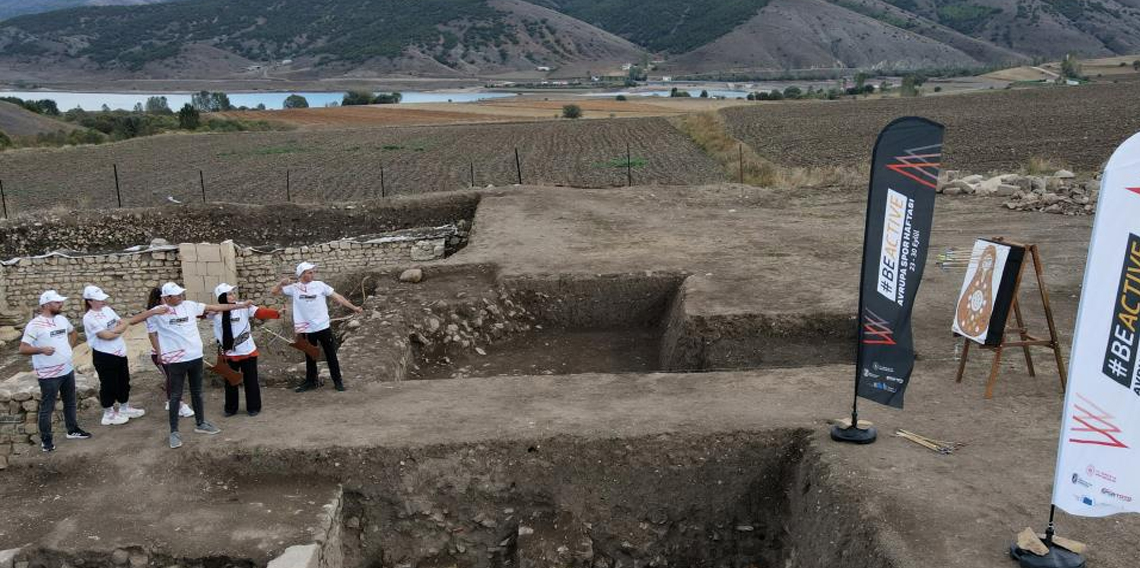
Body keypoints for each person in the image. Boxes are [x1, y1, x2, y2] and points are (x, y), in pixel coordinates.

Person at [140, 282, 253, 449]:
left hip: (195, 357)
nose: (181, 297)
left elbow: (215, 307)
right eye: (177, 295)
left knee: (197, 392)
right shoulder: (157, 313)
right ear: (166, 298)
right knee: (175, 396)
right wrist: (159, 352)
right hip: (175, 361)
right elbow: (146, 331)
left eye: (181, 294)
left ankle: (201, 423)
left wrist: (240, 305)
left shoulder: (190, 306)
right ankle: (174, 432)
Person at [81, 285, 166, 426]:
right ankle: (108, 413)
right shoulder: (88, 318)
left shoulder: (107, 310)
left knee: (123, 381)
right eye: (99, 300)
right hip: (104, 355)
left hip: (119, 352)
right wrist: (117, 330)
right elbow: (106, 336)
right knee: (109, 384)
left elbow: (123, 323)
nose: (103, 301)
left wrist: (115, 331)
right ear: (90, 301)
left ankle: (124, 407)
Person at [271, 262, 362, 392]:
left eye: (313, 272)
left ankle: (337, 381)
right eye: (309, 272)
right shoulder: (294, 288)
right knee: (310, 355)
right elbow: (274, 292)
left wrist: (354, 308)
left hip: (323, 326)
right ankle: (311, 382)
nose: (312, 274)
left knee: (330, 354)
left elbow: (338, 298)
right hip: (306, 328)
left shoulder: (320, 285)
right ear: (302, 274)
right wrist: (281, 283)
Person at [18, 290, 91, 452]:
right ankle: (46, 440)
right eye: (57, 302)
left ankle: (72, 430)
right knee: (47, 407)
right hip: (48, 374)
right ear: (46, 304)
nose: (61, 304)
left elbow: (73, 333)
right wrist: (41, 350)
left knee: (70, 401)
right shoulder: (34, 325)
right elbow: (23, 348)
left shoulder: (61, 319)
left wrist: (68, 348)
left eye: (60, 302)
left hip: (67, 368)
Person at [208, 283, 280, 417]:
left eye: (233, 293)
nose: (233, 295)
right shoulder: (215, 311)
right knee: (230, 381)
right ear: (222, 297)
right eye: (229, 294)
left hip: (247, 350)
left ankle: (253, 407)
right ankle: (230, 408)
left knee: (251, 380)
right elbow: (198, 313)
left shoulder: (244, 306)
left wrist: (276, 313)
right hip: (228, 353)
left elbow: (259, 312)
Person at [145, 287, 194, 419]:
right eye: (164, 297)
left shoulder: (171, 311)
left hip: (175, 351)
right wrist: (160, 353)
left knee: (173, 378)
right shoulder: (154, 314)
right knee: (173, 379)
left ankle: (171, 401)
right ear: (159, 299)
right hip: (162, 353)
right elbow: (152, 335)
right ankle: (178, 404)